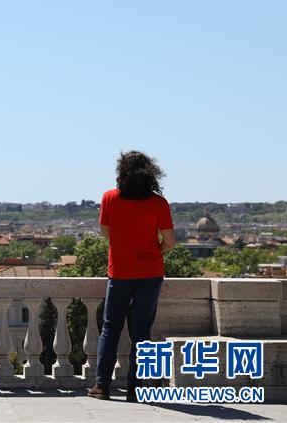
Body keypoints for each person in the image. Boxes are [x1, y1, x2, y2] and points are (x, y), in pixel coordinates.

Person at [87, 151, 176, 402]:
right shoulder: (159, 203)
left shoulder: (109, 198)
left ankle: (102, 386)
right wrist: (151, 251)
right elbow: (169, 242)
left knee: (110, 329)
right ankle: (135, 389)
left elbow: (106, 233)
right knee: (141, 332)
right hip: (150, 274)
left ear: (122, 172)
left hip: (120, 273)